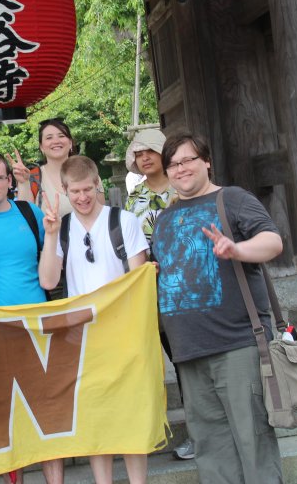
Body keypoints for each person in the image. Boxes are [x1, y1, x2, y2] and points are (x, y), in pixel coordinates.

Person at [152, 132, 284, 484]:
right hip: (187, 350)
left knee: (253, 440)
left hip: (237, 343)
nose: (181, 168)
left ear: (206, 162)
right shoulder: (164, 218)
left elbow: (272, 241)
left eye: (188, 160)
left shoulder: (233, 199)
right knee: (210, 447)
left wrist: (237, 250)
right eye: (172, 164)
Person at [38, 155, 150, 484]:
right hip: (82, 337)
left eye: (88, 189)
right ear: (64, 190)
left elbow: (138, 279)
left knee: (129, 414)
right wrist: (50, 236)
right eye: (75, 192)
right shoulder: (63, 228)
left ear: (97, 183)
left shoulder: (123, 221)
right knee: (95, 418)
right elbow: (48, 280)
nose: (83, 197)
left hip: (123, 332)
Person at [0, 152, 63, 484]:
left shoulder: (30, 213)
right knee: (6, 418)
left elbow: (51, 277)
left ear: (9, 180)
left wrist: (53, 234)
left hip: (37, 327)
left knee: (47, 415)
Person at [123, 128, 193, 461]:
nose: (144, 158)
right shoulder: (133, 198)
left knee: (188, 361)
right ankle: (152, 432)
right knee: (160, 359)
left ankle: (201, 431)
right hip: (149, 291)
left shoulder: (184, 187)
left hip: (188, 287)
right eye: (138, 154)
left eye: (150, 151)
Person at [12, 117, 76, 217]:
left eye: (61, 136)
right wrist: (23, 182)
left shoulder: (86, 172)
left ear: (70, 143)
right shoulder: (33, 177)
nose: (56, 141)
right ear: (41, 147)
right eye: (49, 138)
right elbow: (26, 217)